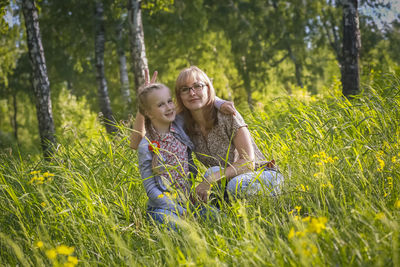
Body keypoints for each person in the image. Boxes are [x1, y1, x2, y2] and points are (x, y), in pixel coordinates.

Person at [174, 66, 283, 203]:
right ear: (180, 96)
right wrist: (146, 98)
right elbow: (158, 118)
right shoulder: (185, 126)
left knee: (230, 184)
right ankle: (223, 213)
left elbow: (248, 162)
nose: (192, 93)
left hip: (263, 174)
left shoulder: (227, 115)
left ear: (208, 88)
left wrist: (211, 180)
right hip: (229, 179)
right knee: (212, 174)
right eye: (185, 89)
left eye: (197, 86)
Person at [137, 82, 225, 229]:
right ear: (148, 113)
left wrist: (221, 103)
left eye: (170, 101)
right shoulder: (146, 146)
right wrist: (180, 211)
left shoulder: (179, 126)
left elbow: (199, 103)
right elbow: (151, 189)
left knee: (217, 218)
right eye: (161, 105)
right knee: (180, 228)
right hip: (162, 208)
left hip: (188, 203)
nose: (169, 107)